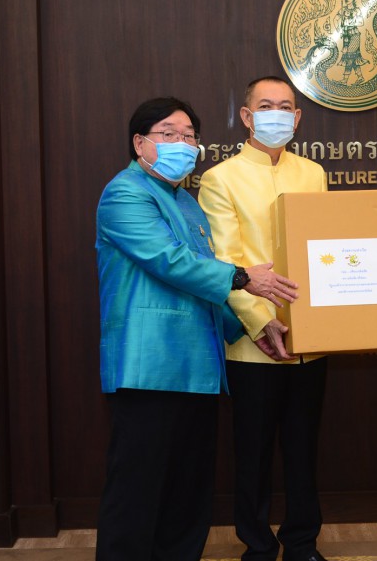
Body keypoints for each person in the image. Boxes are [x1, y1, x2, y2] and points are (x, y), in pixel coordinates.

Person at [95, 96, 299, 561]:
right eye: (168, 134)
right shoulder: (125, 193)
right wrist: (244, 277)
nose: (182, 143)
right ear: (139, 143)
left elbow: (204, 285)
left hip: (199, 369)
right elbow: (169, 262)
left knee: (188, 494)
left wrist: (251, 328)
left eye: (189, 136)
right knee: (137, 491)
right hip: (148, 368)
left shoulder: (186, 202)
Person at [198, 77, 329, 561]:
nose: (278, 114)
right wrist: (260, 321)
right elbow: (225, 258)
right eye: (266, 105)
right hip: (252, 342)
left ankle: (302, 543)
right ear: (247, 117)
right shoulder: (220, 178)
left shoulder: (313, 173)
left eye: (286, 107)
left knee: (303, 449)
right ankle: (256, 545)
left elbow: (325, 247)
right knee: (252, 452)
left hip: (311, 338)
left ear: (298, 118)